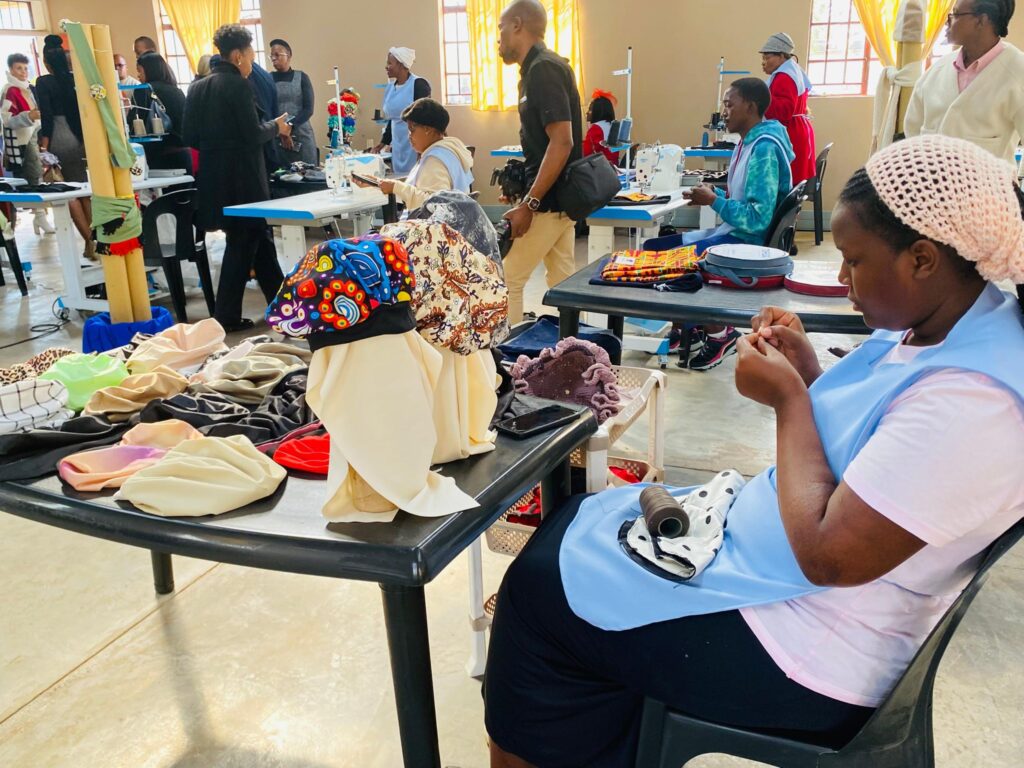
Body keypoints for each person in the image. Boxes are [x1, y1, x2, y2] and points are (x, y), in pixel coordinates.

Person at [483, 133, 1024, 768]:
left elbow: (830, 555)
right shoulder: (952, 321)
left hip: (814, 647)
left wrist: (790, 402)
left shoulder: (978, 404)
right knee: (574, 522)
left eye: (853, 260)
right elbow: (883, 452)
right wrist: (812, 377)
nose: (842, 278)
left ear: (924, 259)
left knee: (539, 598)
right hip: (791, 585)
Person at [645, 78, 794, 370]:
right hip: (734, 235)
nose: (723, 112)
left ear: (750, 107)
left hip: (745, 245)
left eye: (729, 104)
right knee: (654, 246)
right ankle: (686, 327)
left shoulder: (763, 148)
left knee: (665, 260)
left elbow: (757, 218)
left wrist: (714, 201)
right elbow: (746, 198)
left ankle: (720, 334)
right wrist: (716, 195)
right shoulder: (749, 142)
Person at [182, 23, 291, 332]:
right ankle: (226, 316)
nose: (253, 61)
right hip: (244, 178)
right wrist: (277, 127)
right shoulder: (238, 85)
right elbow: (251, 134)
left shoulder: (198, 86)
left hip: (214, 178)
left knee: (257, 240)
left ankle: (282, 306)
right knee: (243, 243)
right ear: (238, 55)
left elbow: (189, 134)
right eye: (251, 54)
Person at [497, 0, 583, 324]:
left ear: (518, 25)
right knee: (564, 284)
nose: (498, 39)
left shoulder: (542, 69)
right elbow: (546, 144)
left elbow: (563, 142)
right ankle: (575, 353)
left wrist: (529, 204)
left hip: (548, 202)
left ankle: (510, 365)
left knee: (508, 278)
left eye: (501, 29)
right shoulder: (540, 68)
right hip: (561, 198)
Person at [905, 0, 1024, 165]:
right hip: (931, 187)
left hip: (989, 188)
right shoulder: (936, 71)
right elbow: (912, 131)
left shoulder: (1018, 72)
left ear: (981, 21)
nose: (948, 21)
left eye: (956, 14)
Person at [353, 98, 473, 211]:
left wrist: (395, 186)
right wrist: (380, 184)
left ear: (428, 130)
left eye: (412, 130)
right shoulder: (448, 151)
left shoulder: (435, 160)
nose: (409, 136)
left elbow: (434, 205)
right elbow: (417, 195)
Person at [35, 35, 93, 259]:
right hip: (81, 137)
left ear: (46, 62)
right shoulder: (75, 79)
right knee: (85, 191)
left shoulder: (44, 82)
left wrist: (44, 148)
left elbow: (47, 118)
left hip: (60, 136)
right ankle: (97, 239)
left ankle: (89, 241)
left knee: (69, 193)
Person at [1, 52, 54, 234]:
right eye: (19, 68)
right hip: (21, 141)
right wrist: (28, 116)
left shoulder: (27, 89)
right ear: (11, 70)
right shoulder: (10, 90)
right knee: (33, 176)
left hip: (32, 135)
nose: (23, 72)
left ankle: (40, 216)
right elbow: (6, 119)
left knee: (36, 175)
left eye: (25, 68)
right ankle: (39, 216)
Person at [760, 32, 816, 185]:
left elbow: (783, 112)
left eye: (767, 57)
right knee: (792, 185)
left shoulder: (784, 77)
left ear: (781, 56)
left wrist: (760, 97)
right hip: (797, 129)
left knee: (787, 184)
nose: (763, 62)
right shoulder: (793, 71)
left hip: (790, 133)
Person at [373, 46, 431, 175]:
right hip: (398, 144)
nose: (386, 67)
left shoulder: (419, 84)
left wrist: (423, 149)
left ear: (400, 64)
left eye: (389, 63)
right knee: (400, 179)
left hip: (416, 142)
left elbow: (427, 118)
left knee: (416, 178)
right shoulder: (390, 88)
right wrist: (382, 143)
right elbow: (392, 119)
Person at [133, 52, 191, 174]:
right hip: (184, 155)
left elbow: (136, 121)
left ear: (149, 70)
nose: (138, 76)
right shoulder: (177, 91)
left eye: (140, 71)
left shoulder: (143, 90)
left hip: (160, 156)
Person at [268, 38, 317, 166]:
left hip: (302, 135)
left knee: (309, 175)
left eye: (277, 54)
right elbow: (267, 109)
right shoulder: (268, 79)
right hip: (278, 137)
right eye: (271, 55)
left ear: (289, 55)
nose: (273, 58)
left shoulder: (302, 77)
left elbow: (308, 109)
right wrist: (282, 131)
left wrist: (289, 126)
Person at [248, 58, 281, 172]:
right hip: (271, 134)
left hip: (258, 141)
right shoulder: (266, 75)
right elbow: (275, 110)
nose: (273, 58)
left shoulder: (245, 81)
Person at [583, 89, 619, 165]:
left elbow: (586, 153)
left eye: (590, 109)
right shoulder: (612, 125)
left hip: (601, 169)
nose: (587, 112)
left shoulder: (596, 128)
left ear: (598, 111)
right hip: (613, 167)